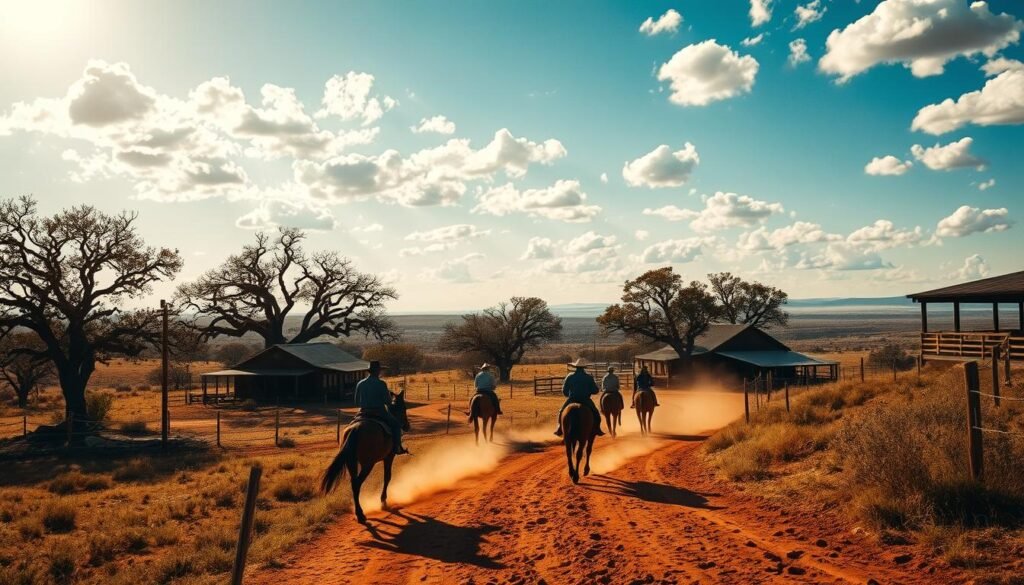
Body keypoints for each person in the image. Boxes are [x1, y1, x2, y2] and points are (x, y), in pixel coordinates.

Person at [354, 361, 408, 455]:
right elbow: (387, 402)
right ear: (378, 371)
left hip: (363, 412)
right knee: (396, 425)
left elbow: (356, 402)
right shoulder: (381, 384)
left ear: (369, 371)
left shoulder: (360, 383)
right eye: (379, 371)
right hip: (379, 412)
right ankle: (397, 447)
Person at [554, 358, 604, 437]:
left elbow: (564, 390)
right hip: (585, 400)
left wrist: (568, 395)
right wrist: (591, 391)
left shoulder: (569, 377)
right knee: (596, 413)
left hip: (572, 399)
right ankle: (597, 428)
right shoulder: (589, 377)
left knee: (561, 411)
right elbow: (595, 390)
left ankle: (559, 428)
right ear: (584, 367)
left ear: (575, 367)